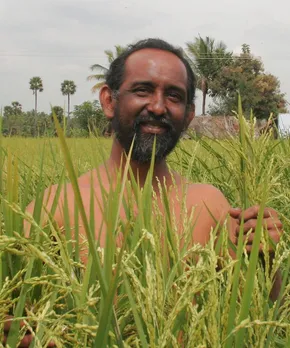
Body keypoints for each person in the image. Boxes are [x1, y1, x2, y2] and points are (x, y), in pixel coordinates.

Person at [5, 38, 283, 346]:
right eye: (143, 90)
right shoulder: (56, 205)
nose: (158, 106)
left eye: (174, 96)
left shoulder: (208, 203)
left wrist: (267, 261)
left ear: (189, 114)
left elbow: (255, 312)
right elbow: (12, 311)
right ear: (109, 101)